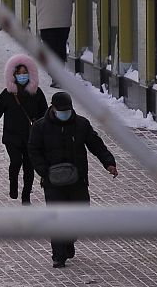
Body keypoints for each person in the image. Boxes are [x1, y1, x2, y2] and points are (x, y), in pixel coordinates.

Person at [28, 91, 117, 268]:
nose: (64, 113)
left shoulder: (81, 124)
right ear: (52, 108)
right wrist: (44, 171)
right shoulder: (40, 127)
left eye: (67, 109)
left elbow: (96, 145)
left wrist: (109, 162)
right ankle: (58, 255)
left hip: (78, 180)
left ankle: (69, 240)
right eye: (61, 110)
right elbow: (33, 150)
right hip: (53, 182)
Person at [0, 54, 48, 204]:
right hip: (12, 136)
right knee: (16, 160)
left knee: (29, 166)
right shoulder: (8, 94)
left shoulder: (37, 93)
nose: (22, 76)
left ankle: (26, 196)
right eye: (19, 73)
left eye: (25, 73)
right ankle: (13, 184)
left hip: (31, 137)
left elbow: (45, 114)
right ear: (13, 75)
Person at [30, 0, 75, 79]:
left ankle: (54, 74)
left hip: (46, 21)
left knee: (50, 47)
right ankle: (60, 73)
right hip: (64, 21)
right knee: (61, 45)